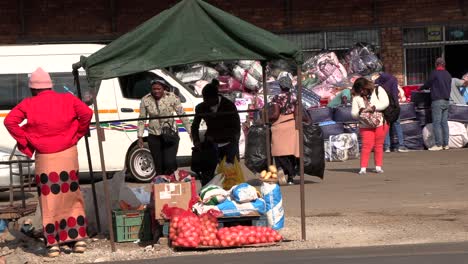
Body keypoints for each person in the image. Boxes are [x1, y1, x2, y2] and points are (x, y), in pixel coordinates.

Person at [4, 67, 93, 257]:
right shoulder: (67, 99)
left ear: (33, 89)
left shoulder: (28, 104)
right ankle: (78, 241)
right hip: (68, 154)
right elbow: (86, 114)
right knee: (71, 194)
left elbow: (10, 122)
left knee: (49, 198)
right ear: (50, 85)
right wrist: (76, 133)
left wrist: (26, 139)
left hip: (45, 158)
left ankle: (53, 245)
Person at [191, 79, 241, 185]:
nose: (207, 103)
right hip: (211, 143)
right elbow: (194, 126)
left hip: (228, 143)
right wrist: (196, 141)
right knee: (207, 174)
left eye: (209, 100)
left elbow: (236, 127)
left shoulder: (229, 106)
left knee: (229, 174)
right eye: (205, 100)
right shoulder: (201, 108)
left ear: (215, 97)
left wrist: (233, 144)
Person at [137, 79, 191, 176]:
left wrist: (190, 131)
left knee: (169, 162)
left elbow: (182, 114)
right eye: (154, 89)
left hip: (170, 133)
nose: (156, 91)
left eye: (159, 89)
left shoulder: (172, 97)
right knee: (158, 165)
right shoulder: (145, 99)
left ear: (164, 89)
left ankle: (173, 183)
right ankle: (161, 187)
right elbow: (142, 118)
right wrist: (140, 136)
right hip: (154, 135)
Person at [351, 77, 389, 175]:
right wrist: (360, 112)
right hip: (365, 125)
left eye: (363, 89)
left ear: (366, 86)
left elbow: (385, 103)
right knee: (366, 146)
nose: (362, 92)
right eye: (360, 90)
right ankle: (363, 168)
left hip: (380, 122)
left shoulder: (378, 90)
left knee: (378, 145)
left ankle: (378, 167)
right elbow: (353, 113)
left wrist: (374, 108)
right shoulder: (356, 98)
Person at [269, 76, 300, 184]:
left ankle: (281, 169)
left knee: (278, 151)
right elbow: (297, 113)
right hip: (292, 125)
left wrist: (266, 118)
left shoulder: (277, 98)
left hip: (280, 126)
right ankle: (291, 177)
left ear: (280, 85)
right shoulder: (295, 97)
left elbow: (276, 114)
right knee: (290, 152)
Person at [419, 58, 452, 151]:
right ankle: (446, 144)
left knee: (436, 123)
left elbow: (427, 84)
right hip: (446, 101)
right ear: (444, 65)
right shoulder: (448, 74)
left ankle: (438, 144)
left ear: (436, 64)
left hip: (437, 100)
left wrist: (420, 88)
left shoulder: (434, 73)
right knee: (444, 123)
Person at [374, 72, 409, 153]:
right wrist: (397, 105)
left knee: (386, 125)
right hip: (393, 105)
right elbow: (394, 94)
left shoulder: (378, 81)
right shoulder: (393, 80)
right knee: (397, 124)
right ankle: (401, 145)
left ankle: (387, 147)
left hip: (384, 106)